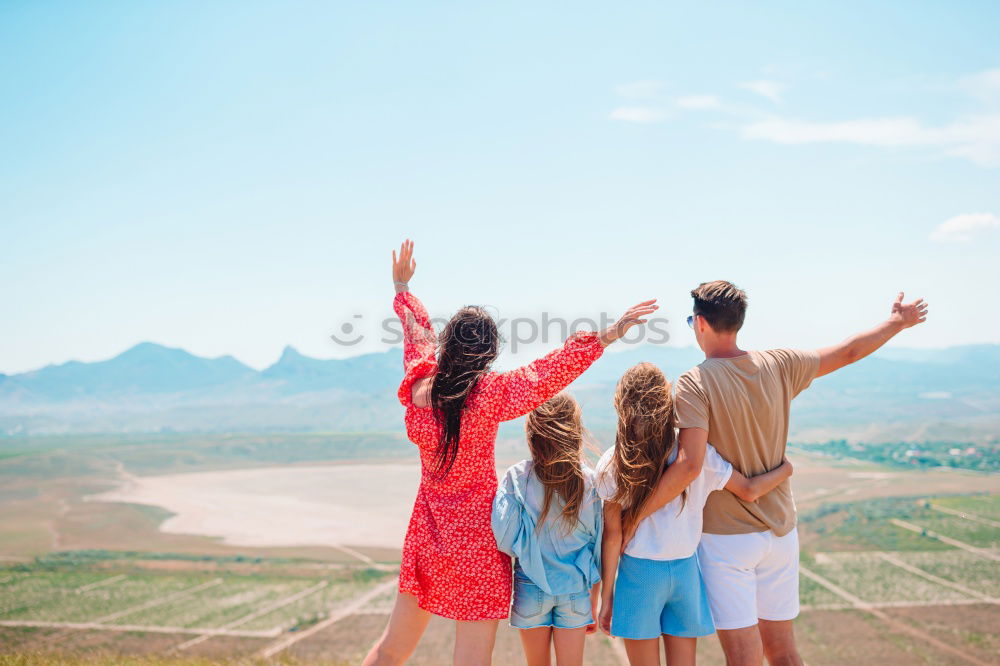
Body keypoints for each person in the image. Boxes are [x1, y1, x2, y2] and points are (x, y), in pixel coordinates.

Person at [363, 240, 658, 666]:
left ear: (448, 346)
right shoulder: (489, 394)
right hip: (479, 542)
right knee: (472, 659)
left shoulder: (419, 386)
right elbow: (546, 373)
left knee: (393, 647)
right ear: (487, 355)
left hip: (428, 533)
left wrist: (401, 286)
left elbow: (416, 337)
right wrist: (608, 336)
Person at [628, 282, 929, 666]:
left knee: (743, 658)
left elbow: (690, 464)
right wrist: (895, 323)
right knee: (785, 653)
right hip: (781, 530)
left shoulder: (694, 382)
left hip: (726, 539)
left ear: (700, 323)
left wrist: (635, 516)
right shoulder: (779, 363)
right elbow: (850, 351)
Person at [595, 363, 793, 666]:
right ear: (668, 403)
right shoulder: (696, 454)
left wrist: (607, 597)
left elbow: (612, 537)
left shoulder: (613, 462)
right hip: (686, 574)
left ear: (621, 405)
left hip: (639, 575)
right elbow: (750, 489)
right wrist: (786, 469)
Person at [492, 392, 603, 666]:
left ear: (533, 436)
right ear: (576, 433)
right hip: (577, 589)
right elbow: (598, 544)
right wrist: (594, 599)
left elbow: (504, 537)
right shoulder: (590, 481)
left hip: (530, 586)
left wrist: (528, 544)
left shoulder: (517, 476)